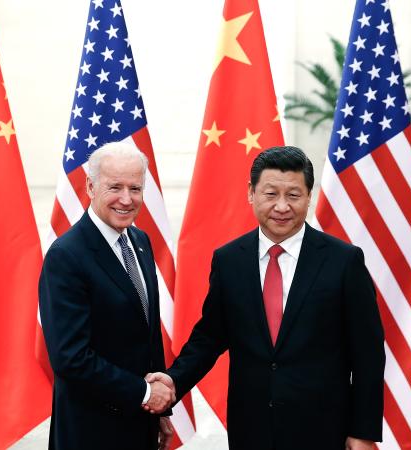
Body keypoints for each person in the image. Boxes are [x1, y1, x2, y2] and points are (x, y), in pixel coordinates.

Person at [149, 146, 385, 450]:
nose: (282, 207)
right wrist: (172, 382)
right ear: (251, 193)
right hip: (252, 428)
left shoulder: (344, 261)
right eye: (271, 194)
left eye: (294, 195)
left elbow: (368, 354)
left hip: (324, 430)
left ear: (309, 196)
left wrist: (363, 431)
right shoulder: (229, 260)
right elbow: (208, 339)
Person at [39, 142, 174, 450]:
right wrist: (144, 393)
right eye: (115, 187)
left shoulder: (140, 240)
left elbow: (147, 333)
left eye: (135, 188)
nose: (126, 200)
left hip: (139, 424)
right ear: (90, 186)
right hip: (90, 431)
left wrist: (160, 411)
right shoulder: (67, 256)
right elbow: (70, 358)